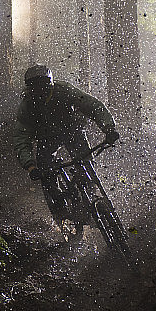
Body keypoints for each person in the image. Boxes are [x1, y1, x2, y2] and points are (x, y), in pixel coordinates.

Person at [13, 64, 120, 219]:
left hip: (73, 131)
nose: (40, 91)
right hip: (47, 139)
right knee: (47, 174)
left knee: (86, 166)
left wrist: (108, 128)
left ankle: (90, 198)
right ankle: (60, 210)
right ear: (30, 89)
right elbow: (22, 137)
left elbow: (92, 106)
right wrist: (30, 165)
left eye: (43, 87)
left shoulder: (64, 91)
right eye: (36, 88)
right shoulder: (27, 106)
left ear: (49, 84)